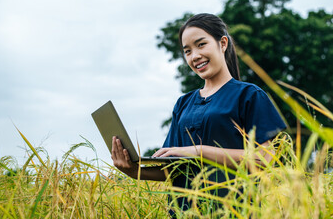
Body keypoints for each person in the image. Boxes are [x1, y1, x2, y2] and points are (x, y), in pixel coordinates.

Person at [111, 13, 286, 214]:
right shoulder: (183, 103)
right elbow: (173, 167)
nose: (194, 56)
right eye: (187, 51)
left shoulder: (249, 95)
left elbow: (263, 159)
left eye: (201, 44)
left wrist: (199, 152)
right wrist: (134, 171)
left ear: (222, 43)